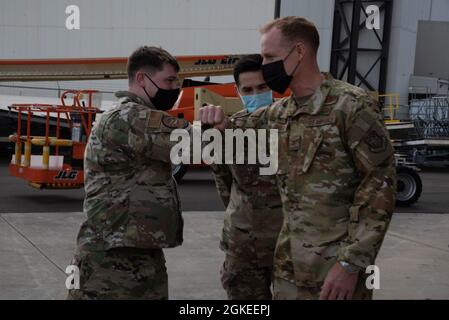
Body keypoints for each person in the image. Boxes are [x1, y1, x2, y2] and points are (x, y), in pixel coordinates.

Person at [200, 16, 396, 300]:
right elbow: (237, 128)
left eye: (270, 56)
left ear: (300, 52)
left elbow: (379, 187)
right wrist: (218, 123)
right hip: (287, 270)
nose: (265, 65)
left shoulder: (350, 106)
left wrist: (351, 264)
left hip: (333, 273)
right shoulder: (281, 113)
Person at [67, 46, 190, 300]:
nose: (174, 89)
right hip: (109, 260)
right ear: (142, 79)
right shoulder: (128, 115)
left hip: (139, 251)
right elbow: (193, 142)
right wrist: (217, 122)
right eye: (168, 81)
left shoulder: (140, 116)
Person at [211, 54, 283, 299]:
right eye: (248, 89)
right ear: (238, 91)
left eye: (262, 87)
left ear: (272, 85)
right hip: (244, 244)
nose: (256, 94)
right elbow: (224, 184)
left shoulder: (292, 124)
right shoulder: (229, 129)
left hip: (289, 242)